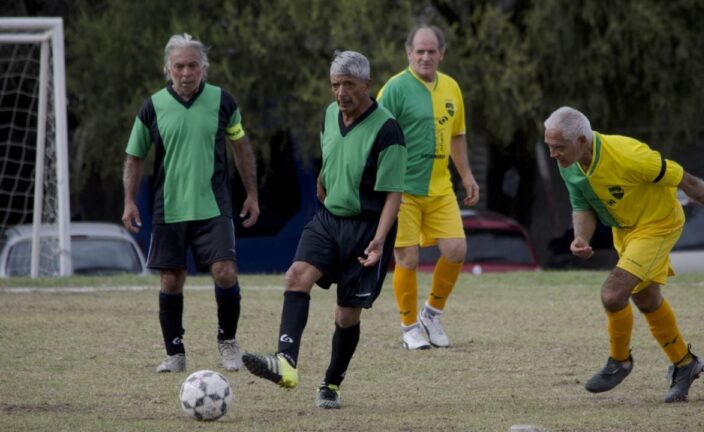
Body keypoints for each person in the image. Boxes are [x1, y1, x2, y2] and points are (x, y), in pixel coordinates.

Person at [543, 106, 704, 402]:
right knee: (646, 298)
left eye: (558, 147)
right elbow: (581, 205)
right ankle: (685, 364)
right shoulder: (569, 163)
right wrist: (581, 238)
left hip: (657, 225)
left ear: (582, 140)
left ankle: (619, 361)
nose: (553, 155)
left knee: (613, 294)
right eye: (549, 147)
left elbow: (686, 181)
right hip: (624, 230)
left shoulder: (629, 156)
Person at [241, 51, 406, 409]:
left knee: (346, 315)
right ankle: (285, 363)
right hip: (329, 220)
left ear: (367, 85)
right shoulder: (330, 114)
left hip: (367, 228)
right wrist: (323, 174)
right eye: (335, 85)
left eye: (349, 84)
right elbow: (333, 151)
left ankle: (331, 383)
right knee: (296, 276)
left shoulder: (388, 129)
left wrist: (379, 241)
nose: (340, 93)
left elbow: (394, 193)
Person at [122, 33, 260, 373]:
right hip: (169, 209)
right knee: (171, 280)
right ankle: (175, 353)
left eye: (193, 65)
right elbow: (134, 156)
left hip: (213, 206)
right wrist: (128, 200)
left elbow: (240, 147)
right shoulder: (152, 106)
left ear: (204, 69)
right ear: (168, 69)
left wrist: (252, 194)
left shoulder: (223, 102)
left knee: (225, 272)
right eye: (179, 66)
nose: (186, 72)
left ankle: (228, 343)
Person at [377, 25, 479, 350]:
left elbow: (458, 135)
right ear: (408, 53)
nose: (425, 56)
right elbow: (374, 135)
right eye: (419, 51)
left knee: (456, 250)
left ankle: (431, 315)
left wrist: (466, 175)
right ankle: (409, 327)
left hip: (440, 188)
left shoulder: (451, 87)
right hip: (401, 191)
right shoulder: (393, 89)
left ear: (441, 54)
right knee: (406, 258)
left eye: (431, 51)